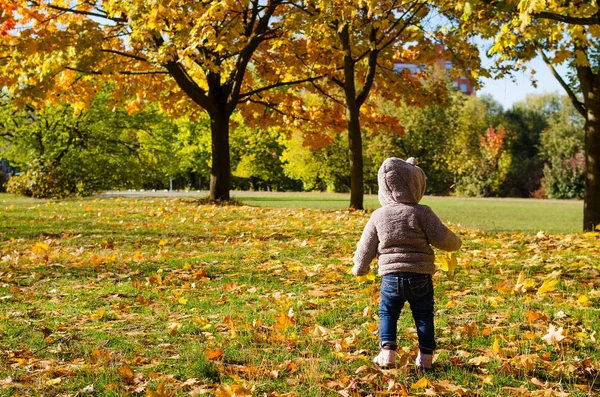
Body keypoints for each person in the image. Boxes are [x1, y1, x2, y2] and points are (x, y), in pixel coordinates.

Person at [352, 157, 462, 370]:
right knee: (423, 316)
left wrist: (360, 267)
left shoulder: (378, 216)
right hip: (420, 276)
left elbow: (366, 246)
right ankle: (425, 358)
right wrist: (456, 243)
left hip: (391, 277)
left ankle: (387, 353)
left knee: (387, 313)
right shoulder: (422, 213)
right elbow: (442, 237)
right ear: (416, 185)